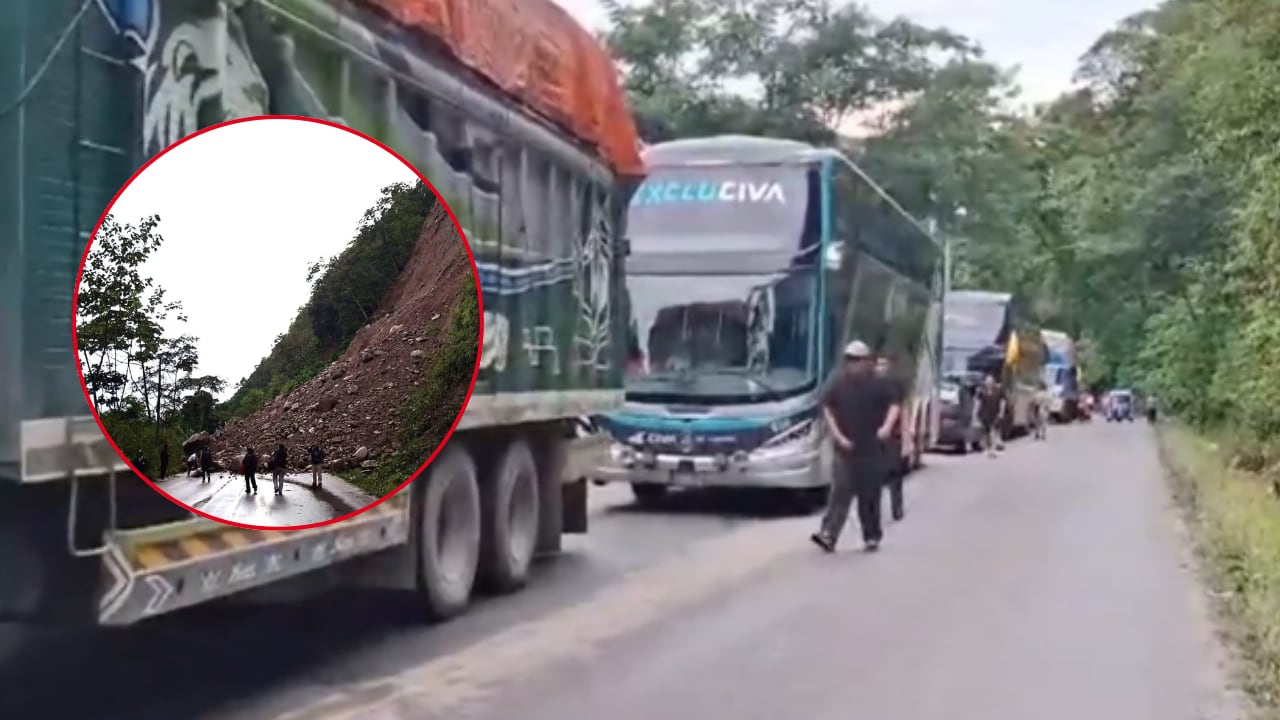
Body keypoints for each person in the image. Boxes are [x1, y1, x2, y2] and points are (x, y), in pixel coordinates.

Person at [811, 340, 901, 553]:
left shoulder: (879, 384)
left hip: (871, 448)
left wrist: (887, 427)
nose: (853, 364)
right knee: (840, 492)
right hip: (846, 447)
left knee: (869, 495)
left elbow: (895, 404)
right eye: (850, 360)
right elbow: (827, 409)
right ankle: (829, 535)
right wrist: (838, 436)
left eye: (857, 360)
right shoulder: (838, 383)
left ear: (866, 362)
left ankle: (871, 535)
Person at [874, 354, 909, 522]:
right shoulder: (870, 385)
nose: (881, 368)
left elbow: (902, 412)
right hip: (874, 437)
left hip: (893, 437)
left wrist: (907, 440)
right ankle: (875, 512)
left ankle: (897, 508)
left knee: (895, 475)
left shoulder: (895, 386)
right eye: (878, 364)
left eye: (884, 364)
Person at [975, 374, 1006, 457]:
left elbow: (1002, 401)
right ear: (985, 382)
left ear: (993, 382)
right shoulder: (981, 391)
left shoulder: (998, 390)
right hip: (984, 415)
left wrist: (1001, 412)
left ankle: (992, 450)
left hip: (995, 414)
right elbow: (978, 402)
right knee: (986, 433)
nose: (989, 382)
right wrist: (975, 412)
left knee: (993, 431)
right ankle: (988, 449)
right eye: (987, 381)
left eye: (990, 381)